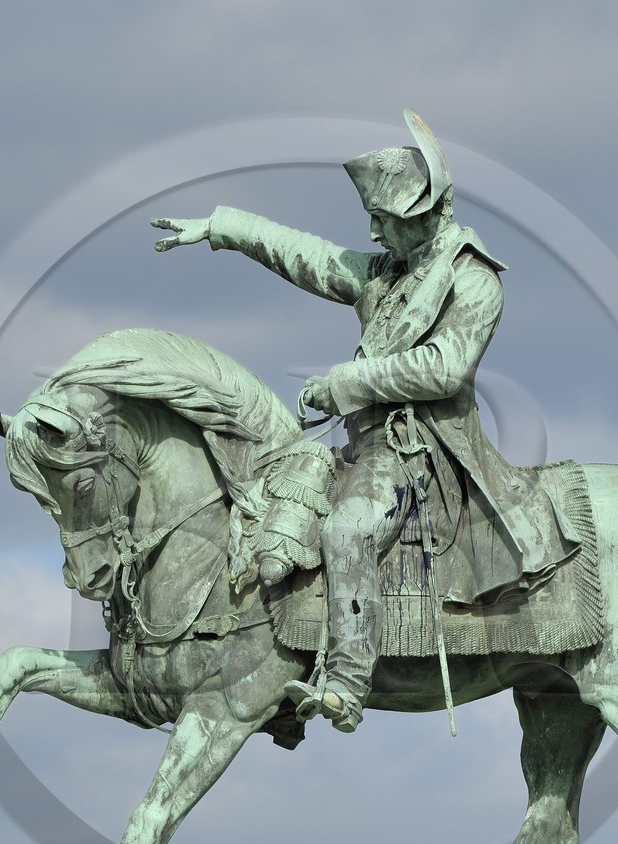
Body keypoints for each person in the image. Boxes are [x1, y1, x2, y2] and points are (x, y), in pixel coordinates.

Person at [151, 109, 569, 733]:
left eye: (383, 218)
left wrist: (342, 383)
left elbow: (445, 368)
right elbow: (309, 256)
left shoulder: (473, 280)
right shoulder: (386, 274)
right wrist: (222, 227)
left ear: (421, 214)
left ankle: (346, 683)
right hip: (368, 447)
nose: (373, 231)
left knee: (347, 530)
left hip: (425, 453)